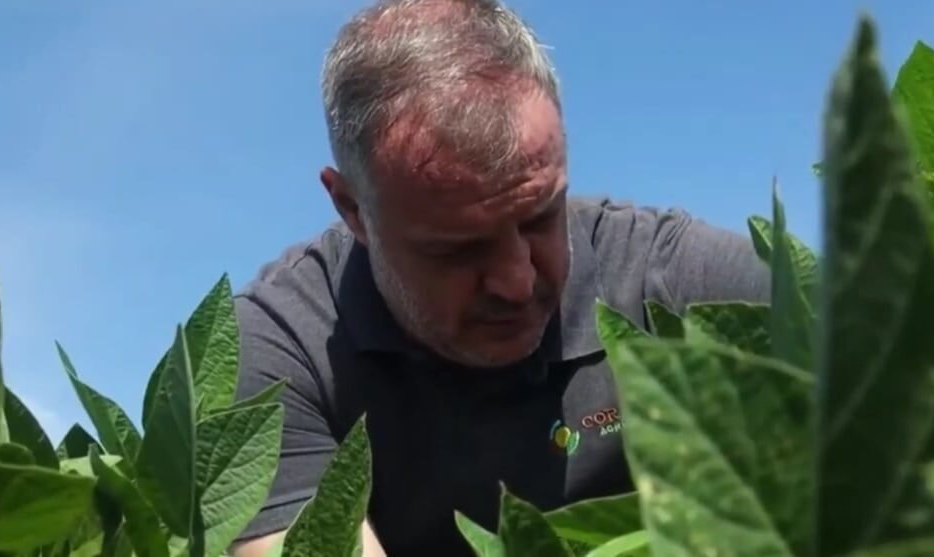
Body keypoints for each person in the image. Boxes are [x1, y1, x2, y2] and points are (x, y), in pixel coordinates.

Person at [230, 0, 770, 555]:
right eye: (457, 249)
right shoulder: (280, 352)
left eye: (541, 218)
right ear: (352, 209)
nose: (516, 282)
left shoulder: (664, 277)